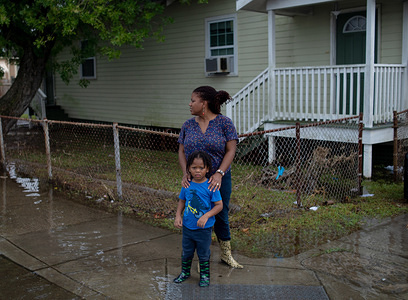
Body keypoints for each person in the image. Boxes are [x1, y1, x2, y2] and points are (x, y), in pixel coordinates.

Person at [178, 85, 243, 269]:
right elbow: (181, 152)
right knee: (195, 212)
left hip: (219, 179)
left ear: (204, 103)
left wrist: (219, 173)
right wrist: (186, 173)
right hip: (195, 180)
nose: (189, 104)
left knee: (220, 214)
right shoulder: (188, 125)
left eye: (193, 100)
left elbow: (231, 150)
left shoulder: (224, 123)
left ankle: (226, 254)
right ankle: (201, 257)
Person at [174, 150, 223, 287]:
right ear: (188, 168)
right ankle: (185, 272)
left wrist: (206, 216)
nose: (197, 171)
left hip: (203, 229)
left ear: (207, 169)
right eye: (194, 167)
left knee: (203, 254)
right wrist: (178, 215)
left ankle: (205, 276)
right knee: (187, 252)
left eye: (201, 168)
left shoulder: (211, 186)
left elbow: (219, 205)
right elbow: (182, 201)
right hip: (188, 227)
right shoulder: (187, 184)